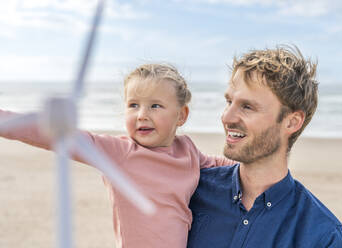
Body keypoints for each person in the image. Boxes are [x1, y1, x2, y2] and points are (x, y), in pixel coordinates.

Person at [0, 64, 235, 248]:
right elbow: (53, 134)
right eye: (133, 105)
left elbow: (227, 166)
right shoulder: (120, 152)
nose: (142, 115)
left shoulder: (188, 151)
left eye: (155, 106)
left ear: (181, 115)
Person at [187, 45, 342, 247]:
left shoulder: (324, 237)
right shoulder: (189, 190)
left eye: (247, 107)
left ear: (291, 122)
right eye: (229, 101)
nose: (226, 117)